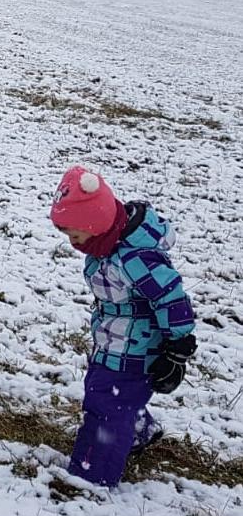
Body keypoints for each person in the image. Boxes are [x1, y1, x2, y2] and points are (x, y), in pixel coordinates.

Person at [50, 165, 197, 488]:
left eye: (75, 233)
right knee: (107, 392)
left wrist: (177, 348)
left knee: (107, 401)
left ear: (96, 223)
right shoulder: (106, 246)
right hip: (115, 340)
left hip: (136, 348)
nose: (73, 242)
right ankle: (137, 429)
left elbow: (170, 296)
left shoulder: (135, 258)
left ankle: (94, 476)